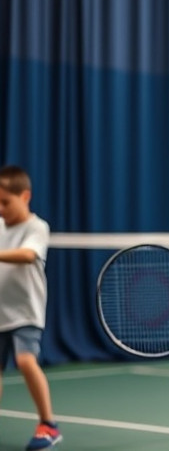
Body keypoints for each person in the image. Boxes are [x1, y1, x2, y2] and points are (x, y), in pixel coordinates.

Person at [0, 165, 62, 451]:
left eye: (5, 202)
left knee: (26, 361)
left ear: (25, 196)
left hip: (26, 311)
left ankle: (48, 424)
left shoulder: (37, 227)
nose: (1, 208)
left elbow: (27, 255)